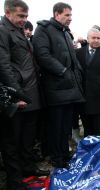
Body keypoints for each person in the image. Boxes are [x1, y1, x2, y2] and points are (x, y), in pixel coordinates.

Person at [0, 0, 49, 189]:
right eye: (21, 16)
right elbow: (3, 65)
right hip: (16, 95)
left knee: (28, 136)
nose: (24, 20)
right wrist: (16, 94)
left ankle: (28, 167)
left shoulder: (18, 30)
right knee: (11, 140)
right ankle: (14, 179)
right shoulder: (3, 31)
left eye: (26, 16)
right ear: (7, 12)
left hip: (31, 93)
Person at [32, 2, 85, 168]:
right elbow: (42, 55)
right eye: (67, 15)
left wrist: (77, 75)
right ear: (56, 14)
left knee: (65, 126)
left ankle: (64, 154)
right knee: (56, 125)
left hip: (70, 87)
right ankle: (56, 158)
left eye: (71, 15)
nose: (70, 18)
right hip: (56, 88)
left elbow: (73, 59)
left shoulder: (65, 32)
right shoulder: (43, 29)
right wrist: (63, 71)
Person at [76, 28, 100, 136]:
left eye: (98, 38)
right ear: (88, 39)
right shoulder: (78, 53)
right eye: (93, 38)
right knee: (87, 128)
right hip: (84, 96)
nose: (96, 40)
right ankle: (89, 150)